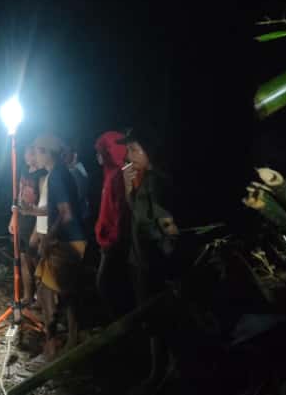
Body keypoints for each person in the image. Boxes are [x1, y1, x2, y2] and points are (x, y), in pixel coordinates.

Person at [121, 127, 179, 393]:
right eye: (128, 149)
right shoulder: (143, 179)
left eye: (134, 149)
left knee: (161, 319)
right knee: (153, 320)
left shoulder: (158, 182)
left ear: (149, 151)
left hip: (153, 264)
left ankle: (167, 375)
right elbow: (138, 215)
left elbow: (167, 227)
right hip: (141, 260)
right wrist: (128, 188)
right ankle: (159, 372)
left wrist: (170, 259)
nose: (129, 154)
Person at [23, 134, 86, 358]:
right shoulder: (58, 174)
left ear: (47, 153)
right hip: (69, 239)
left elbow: (66, 214)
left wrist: (49, 237)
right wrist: (30, 212)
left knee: (49, 290)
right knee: (63, 291)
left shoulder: (57, 176)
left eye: (37, 151)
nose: (33, 156)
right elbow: (57, 210)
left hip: (68, 241)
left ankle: (57, 342)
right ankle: (70, 338)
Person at [94, 130, 130, 318]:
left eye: (100, 151)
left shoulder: (118, 176)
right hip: (106, 240)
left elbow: (120, 212)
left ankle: (117, 328)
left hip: (113, 243)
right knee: (106, 285)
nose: (97, 156)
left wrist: (112, 240)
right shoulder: (109, 174)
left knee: (106, 285)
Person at [9, 143, 47, 304]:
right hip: (22, 219)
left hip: (34, 221)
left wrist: (36, 231)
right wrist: (13, 217)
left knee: (36, 261)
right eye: (26, 153)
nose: (27, 156)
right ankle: (27, 296)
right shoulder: (24, 172)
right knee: (23, 259)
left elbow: (43, 202)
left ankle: (41, 300)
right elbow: (18, 195)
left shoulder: (42, 174)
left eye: (30, 153)